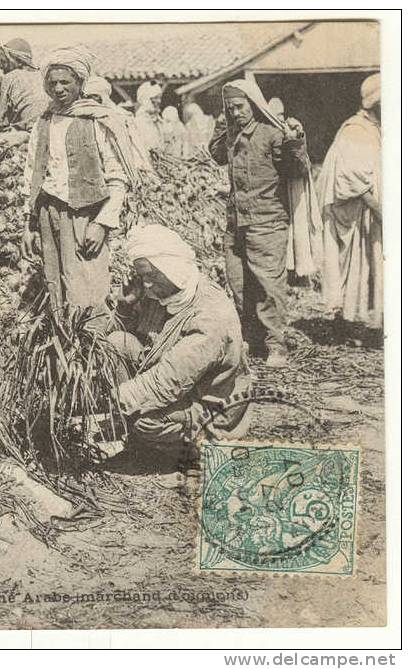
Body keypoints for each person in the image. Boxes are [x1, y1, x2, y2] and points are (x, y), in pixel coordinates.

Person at [22, 47, 142, 318]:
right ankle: (67, 349)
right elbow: (32, 172)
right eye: (52, 83)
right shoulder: (43, 121)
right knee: (56, 287)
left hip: (84, 216)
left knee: (88, 290)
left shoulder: (95, 120)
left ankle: (95, 352)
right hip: (47, 213)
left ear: (80, 83)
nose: (59, 89)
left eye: (66, 82)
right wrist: (29, 224)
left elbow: (116, 176)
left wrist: (101, 224)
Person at [107, 224, 251, 448]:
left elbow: (166, 383)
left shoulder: (209, 315)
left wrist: (107, 403)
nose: (145, 283)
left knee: (144, 420)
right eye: (141, 275)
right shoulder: (162, 292)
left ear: (171, 267)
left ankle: (183, 451)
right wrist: (124, 307)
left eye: (151, 275)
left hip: (205, 403)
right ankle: (132, 433)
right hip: (175, 384)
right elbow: (117, 342)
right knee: (117, 342)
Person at [209, 79, 312, 367]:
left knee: (268, 286)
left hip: (267, 220)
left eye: (240, 107)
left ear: (254, 105)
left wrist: (295, 141)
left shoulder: (272, 133)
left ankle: (276, 345)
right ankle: (253, 341)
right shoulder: (232, 133)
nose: (236, 113)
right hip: (236, 222)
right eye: (230, 109)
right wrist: (222, 123)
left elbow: (297, 169)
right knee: (239, 284)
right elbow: (216, 155)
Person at [316, 73, 382, 330]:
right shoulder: (356, 131)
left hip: (367, 213)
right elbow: (353, 181)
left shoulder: (374, 130)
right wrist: (382, 212)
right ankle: (354, 325)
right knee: (360, 270)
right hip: (355, 214)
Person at [0, 38, 49, 131]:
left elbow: (2, 120)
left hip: (31, 131)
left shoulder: (10, 77)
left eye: (3, 61)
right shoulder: (43, 75)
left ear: (18, 61)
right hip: (50, 128)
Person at [133, 80, 163, 155]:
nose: (159, 101)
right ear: (146, 99)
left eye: (159, 98)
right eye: (155, 98)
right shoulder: (139, 121)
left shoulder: (158, 120)